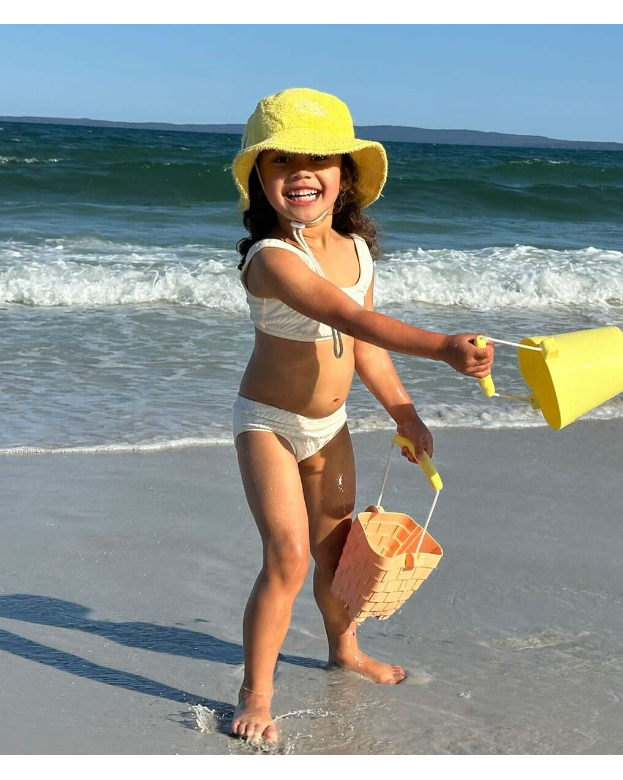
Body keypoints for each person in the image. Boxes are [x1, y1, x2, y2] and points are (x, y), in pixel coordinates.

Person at [229, 87, 494, 743]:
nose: (300, 173)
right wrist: (440, 348)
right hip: (267, 422)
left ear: (345, 174)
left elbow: (366, 347)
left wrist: (405, 412)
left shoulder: (357, 250)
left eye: (318, 160)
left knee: (338, 557)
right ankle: (256, 694)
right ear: (260, 178)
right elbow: (348, 316)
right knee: (287, 560)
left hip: (330, 427)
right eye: (280, 160)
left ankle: (343, 649)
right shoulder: (271, 260)